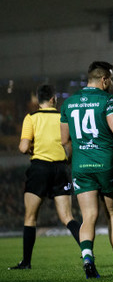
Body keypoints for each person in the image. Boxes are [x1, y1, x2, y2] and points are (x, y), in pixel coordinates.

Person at [60, 62, 113, 279]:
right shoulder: (108, 100)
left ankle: (88, 258)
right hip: (105, 165)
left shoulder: (69, 103)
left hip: (81, 166)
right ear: (104, 79)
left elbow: (64, 141)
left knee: (88, 216)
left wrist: (73, 160)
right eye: (111, 80)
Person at [9, 85, 81, 270]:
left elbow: (24, 148)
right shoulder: (63, 117)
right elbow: (70, 146)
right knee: (67, 217)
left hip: (39, 168)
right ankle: (87, 251)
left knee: (30, 217)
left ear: (37, 100)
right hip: (60, 168)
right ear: (53, 99)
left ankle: (26, 262)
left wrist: (34, 149)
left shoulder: (31, 118)